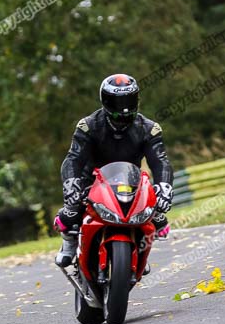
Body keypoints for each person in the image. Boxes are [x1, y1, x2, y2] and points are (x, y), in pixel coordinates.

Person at [54, 74, 174, 267]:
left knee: (159, 221)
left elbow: (161, 161)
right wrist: (71, 184)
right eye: (117, 101)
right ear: (105, 101)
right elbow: (73, 158)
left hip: (130, 183)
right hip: (91, 182)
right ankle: (69, 243)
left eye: (128, 100)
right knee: (69, 214)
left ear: (137, 99)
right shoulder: (88, 126)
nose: (124, 107)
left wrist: (164, 186)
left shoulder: (150, 129)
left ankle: (137, 249)